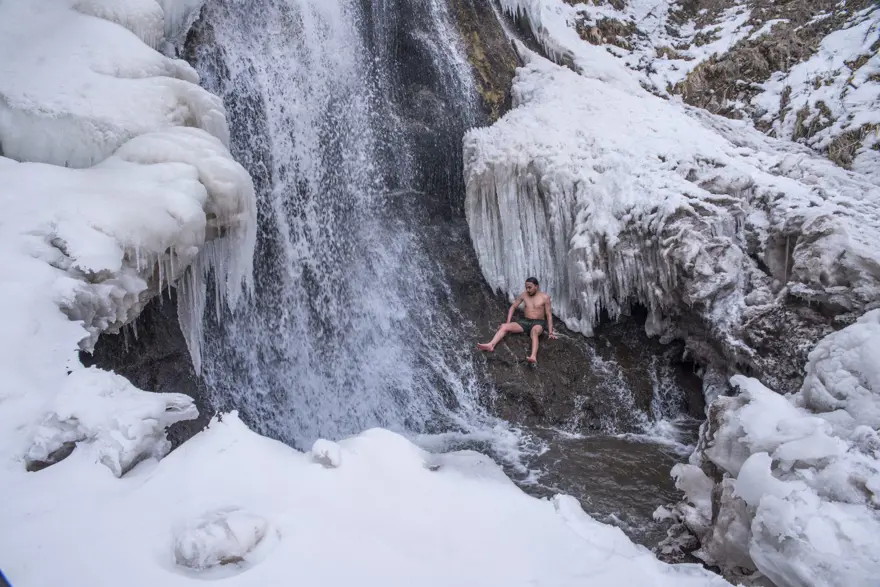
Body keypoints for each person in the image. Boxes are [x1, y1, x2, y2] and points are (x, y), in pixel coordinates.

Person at [477, 277, 556, 364]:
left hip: (538, 322)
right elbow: (513, 307)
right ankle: (491, 345)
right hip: (525, 321)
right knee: (504, 327)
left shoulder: (545, 297)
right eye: (526, 287)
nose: (528, 290)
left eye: (530, 287)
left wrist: (550, 332)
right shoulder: (524, 295)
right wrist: (508, 321)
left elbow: (549, 315)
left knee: (534, 331)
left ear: (536, 286)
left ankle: (533, 356)